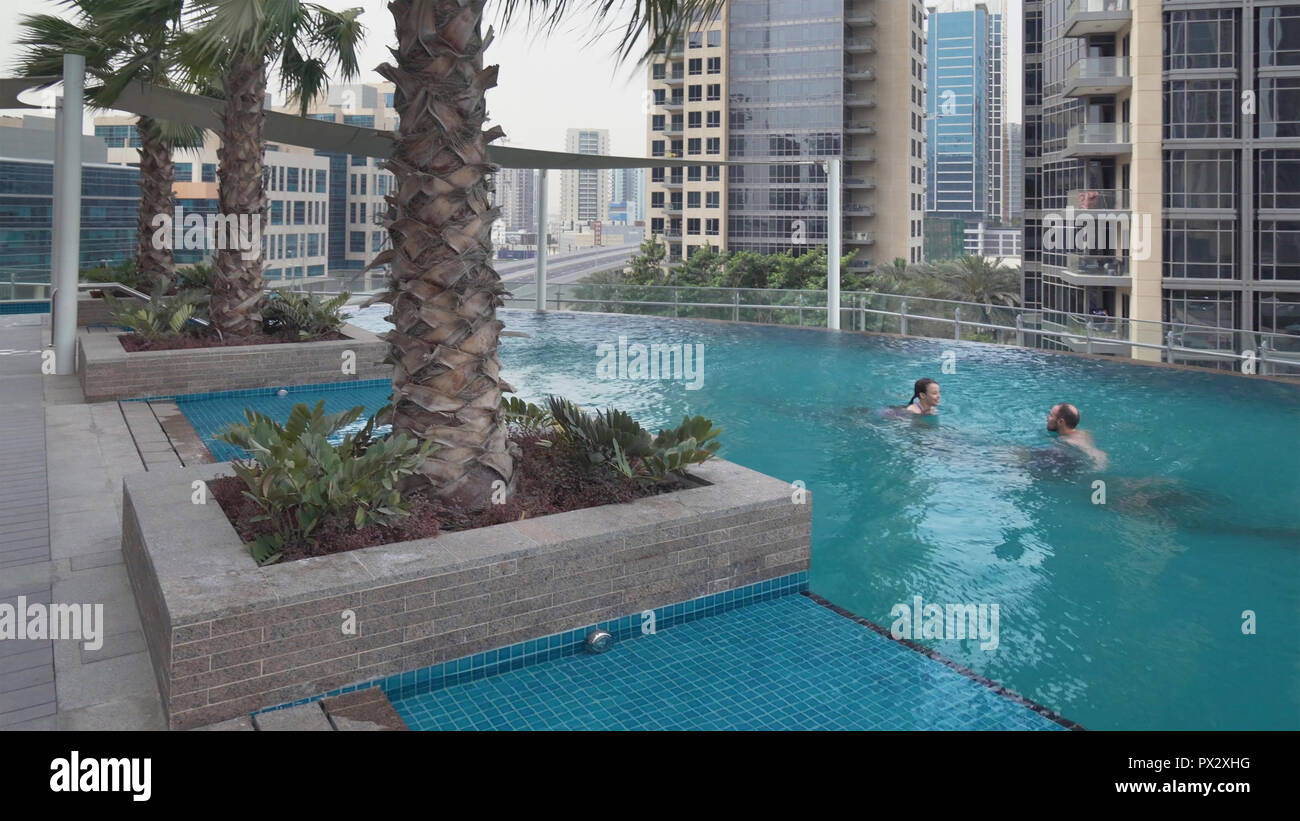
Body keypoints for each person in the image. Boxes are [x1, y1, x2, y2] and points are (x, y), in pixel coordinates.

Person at [1046, 402, 1108, 469]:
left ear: (1061, 422)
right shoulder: (1085, 433)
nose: (1047, 417)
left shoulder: (1067, 442)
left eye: (1051, 415)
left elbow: (1097, 456)